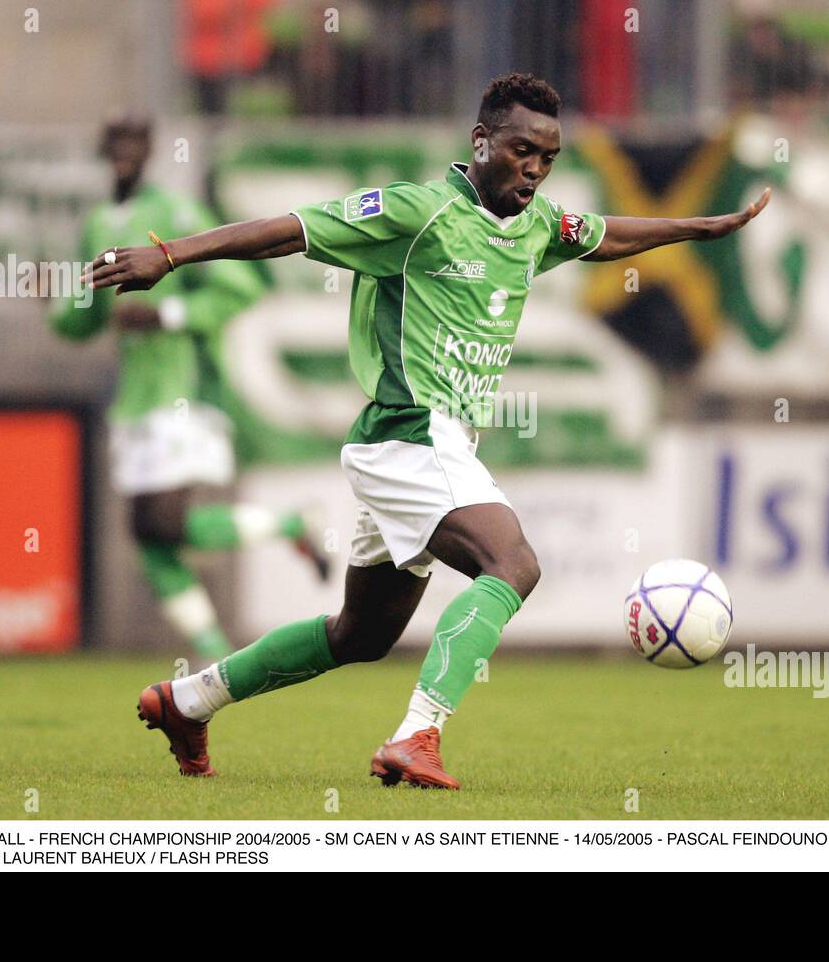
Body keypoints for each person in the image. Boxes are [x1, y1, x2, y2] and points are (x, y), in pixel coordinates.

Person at [86, 74, 770, 788]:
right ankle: (417, 736)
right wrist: (170, 256)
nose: (535, 168)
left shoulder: (535, 224)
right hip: (411, 433)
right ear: (482, 142)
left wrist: (699, 228)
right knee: (514, 566)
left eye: (548, 157)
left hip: (427, 448)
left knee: (361, 634)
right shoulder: (418, 212)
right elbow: (290, 231)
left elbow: (604, 236)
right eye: (521, 150)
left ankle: (189, 701)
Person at [50, 114, 328, 661]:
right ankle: (214, 650)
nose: (124, 156)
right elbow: (82, 320)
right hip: (136, 397)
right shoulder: (101, 221)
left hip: (183, 388)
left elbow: (241, 284)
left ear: (149, 153)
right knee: (149, 536)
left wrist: (169, 312)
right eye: (116, 147)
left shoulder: (175, 214)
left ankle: (293, 522)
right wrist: (58, 299)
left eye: (134, 147)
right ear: (106, 152)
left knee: (165, 521)